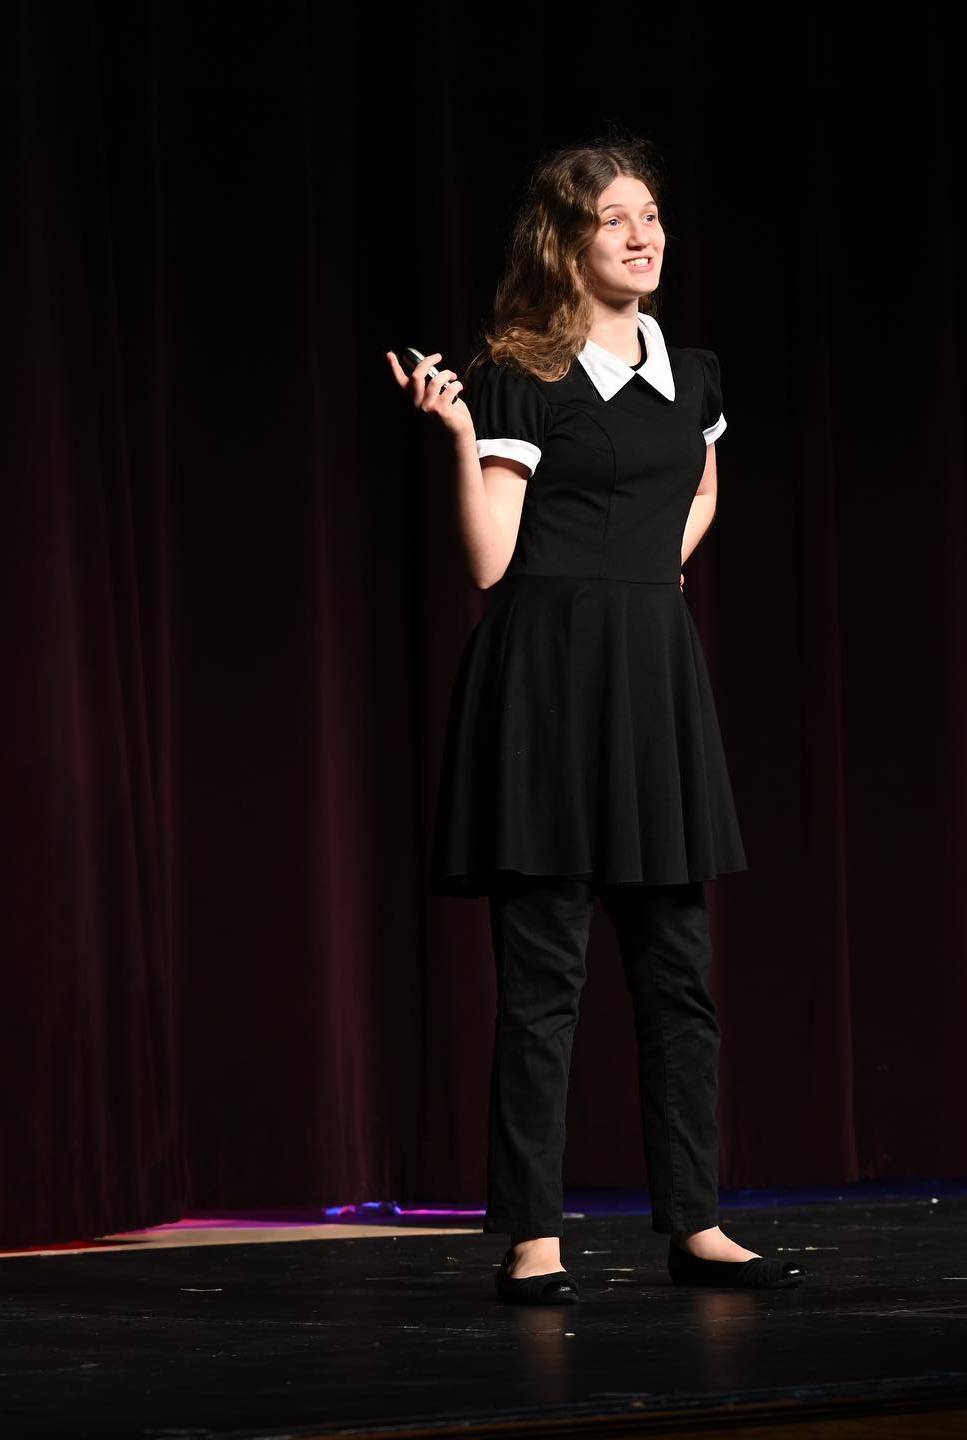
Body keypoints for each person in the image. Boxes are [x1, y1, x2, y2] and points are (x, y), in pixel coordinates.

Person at [385, 134, 805, 1304]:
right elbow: (486, 563)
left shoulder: (696, 373)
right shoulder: (521, 371)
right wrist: (465, 437)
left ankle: (696, 1221)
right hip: (549, 683)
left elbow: (706, 484)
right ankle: (531, 1239)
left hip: (656, 682)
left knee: (678, 970)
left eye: (653, 215)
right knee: (545, 978)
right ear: (565, 241)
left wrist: (649, 567)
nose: (644, 235)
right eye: (616, 218)